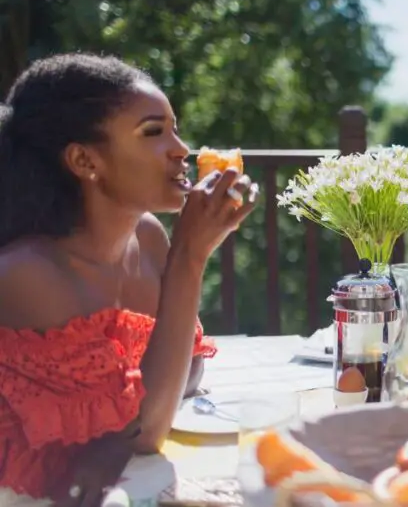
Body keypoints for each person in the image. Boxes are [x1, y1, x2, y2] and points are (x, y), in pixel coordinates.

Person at [0, 53, 257, 507]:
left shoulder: (148, 236)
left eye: (175, 128)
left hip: (122, 481)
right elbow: (144, 432)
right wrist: (191, 257)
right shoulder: (27, 275)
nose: (181, 149)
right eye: (154, 132)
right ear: (84, 160)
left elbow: (184, 374)